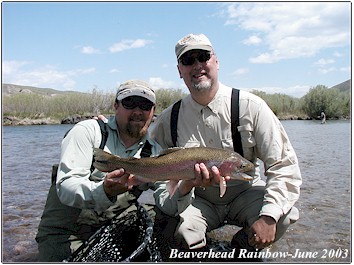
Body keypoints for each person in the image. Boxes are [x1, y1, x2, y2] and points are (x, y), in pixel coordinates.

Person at [151, 33, 302, 259]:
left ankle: (242, 247)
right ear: (179, 70)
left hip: (245, 195)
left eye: (203, 56)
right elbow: (151, 164)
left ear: (216, 61)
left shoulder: (251, 107)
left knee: (283, 216)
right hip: (198, 199)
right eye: (188, 60)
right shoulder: (168, 119)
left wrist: (269, 217)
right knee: (180, 231)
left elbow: (283, 165)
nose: (197, 65)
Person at [35, 80, 161, 262]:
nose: (137, 111)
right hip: (67, 232)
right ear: (116, 106)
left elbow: (167, 197)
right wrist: (103, 191)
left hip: (114, 225)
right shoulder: (87, 132)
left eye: (145, 105)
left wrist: (185, 188)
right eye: (129, 103)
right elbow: (66, 186)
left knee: (169, 221)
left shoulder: (153, 150)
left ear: (153, 110)